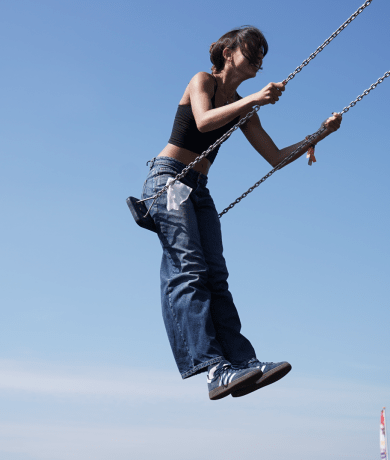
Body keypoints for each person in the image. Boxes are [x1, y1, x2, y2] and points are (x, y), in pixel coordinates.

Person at [140, 26, 342, 400]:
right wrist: (255, 99)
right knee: (190, 269)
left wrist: (319, 134)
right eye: (252, 50)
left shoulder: (245, 107)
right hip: (169, 180)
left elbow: (275, 157)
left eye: (262, 55)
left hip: (198, 189)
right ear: (228, 52)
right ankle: (213, 368)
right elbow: (204, 120)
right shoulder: (203, 81)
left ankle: (241, 363)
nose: (259, 59)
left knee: (217, 277)